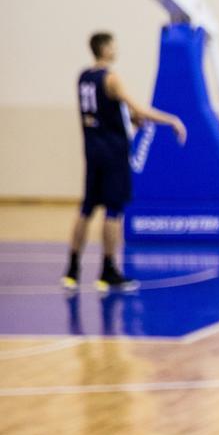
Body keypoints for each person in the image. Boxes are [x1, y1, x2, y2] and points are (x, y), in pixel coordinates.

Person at [63, 32, 186, 292]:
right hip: (113, 152)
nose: (116, 49)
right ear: (105, 48)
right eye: (113, 45)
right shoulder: (111, 78)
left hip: (92, 149)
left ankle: (72, 269)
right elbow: (138, 109)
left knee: (86, 209)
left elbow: (104, 114)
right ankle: (108, 270)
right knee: (113, 210)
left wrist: (129, 121)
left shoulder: (84, 77)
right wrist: (171, 120)